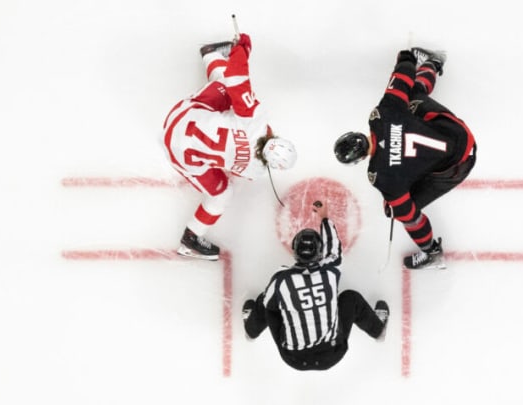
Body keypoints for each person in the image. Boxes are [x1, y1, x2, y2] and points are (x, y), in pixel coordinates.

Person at [333, 47, 477, 270]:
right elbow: (400, 80)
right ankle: (433, 63)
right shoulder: (381, 114)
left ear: (358, 160)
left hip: (458, 164)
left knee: (400, 212)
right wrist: (406, 58)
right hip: (458, 133)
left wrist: (392, 201)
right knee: (412, 96)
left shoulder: (380, 176)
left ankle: (432, 252)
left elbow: (408, 214)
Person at [162, 33, 297, 260]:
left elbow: (236, 78)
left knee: (226, 87)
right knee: (222, 193)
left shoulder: (256, 120)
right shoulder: (256, 171)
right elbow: (234, 167)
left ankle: (212, 55)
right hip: (179, 152)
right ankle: (191, 238)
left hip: (181, 116)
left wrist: (242, 49)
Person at [241, 201, 389, 371]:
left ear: (295, 251)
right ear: (319, 253)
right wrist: (325, 218)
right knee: (351, 299)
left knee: (267, 300)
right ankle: (378, 330)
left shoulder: (281, 280)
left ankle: (251, 330)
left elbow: (269, 304)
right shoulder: (330, 271)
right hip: (333, 353)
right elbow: (334, 250)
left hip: (294, 358)